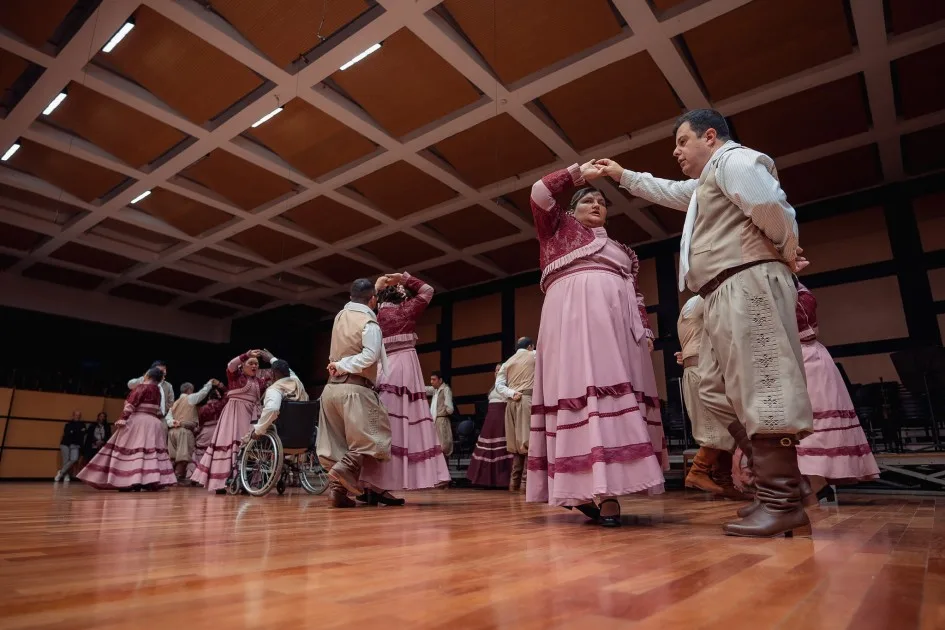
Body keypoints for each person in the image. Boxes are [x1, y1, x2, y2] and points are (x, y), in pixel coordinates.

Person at [597, 108, 813, 537]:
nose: (676, 152)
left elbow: (770, 204)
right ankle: (776, 489)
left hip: (747, 277)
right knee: (711, 386)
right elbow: (671, 191)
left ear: (710, 136)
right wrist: (623, 175)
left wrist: (788, 249)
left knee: (763, 384)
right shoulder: (708, 180)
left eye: (681, 142)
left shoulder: (735, 160)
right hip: (719, 290)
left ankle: (783, 499)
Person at [526, 160, 667, 528]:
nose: (596, 204)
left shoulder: (622, 252)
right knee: (582, 388)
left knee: (613, 394)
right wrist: (577, 175)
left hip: (618, 329)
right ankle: (601, 494)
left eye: (602, 202)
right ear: (571, 210)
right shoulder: (557, 229)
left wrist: (646, 331)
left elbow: (636, 295)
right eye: (588, 200)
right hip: (573, 321)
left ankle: (605, 487)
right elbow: (539, 192)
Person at [359, 272, 450, 506]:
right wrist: (404, 277)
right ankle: (378, 486)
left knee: (383, 426)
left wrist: (379, 288)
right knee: (400, 427)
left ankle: (372, 484)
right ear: (401, 297)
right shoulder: (406, 310)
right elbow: (428, 290)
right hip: (403, 367)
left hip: (382, 367)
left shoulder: (376, 315)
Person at [793, 283, 880, 494]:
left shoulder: (798, 291)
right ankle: (811, 484)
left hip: (807, 358)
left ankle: (817, 483)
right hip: (800, 357)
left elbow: (799, 318)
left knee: (814, 422)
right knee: (803, 422)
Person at [317, 279, 393, 508]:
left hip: (330, 390)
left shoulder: (340, 316)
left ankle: (338, 495)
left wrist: (338, 366)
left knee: (335, 444)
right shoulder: (370, 322)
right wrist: (343, 365)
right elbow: (370, 356)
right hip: (355, 388)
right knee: (374, 437)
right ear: (373, 300)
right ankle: (343, 471)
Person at [675, 295, 749, 500]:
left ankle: (724, 482)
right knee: (720, 429)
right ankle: (698, 471)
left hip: (698, 370)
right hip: (701, 372)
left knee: (726, 429)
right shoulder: (701, 300)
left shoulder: (692, 305)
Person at [77, 367, 177, 491]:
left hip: (139, 421)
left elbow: (131, 404)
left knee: (129, 450)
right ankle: (144, 481)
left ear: (148, 375)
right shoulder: (158, 389)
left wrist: (123, 418)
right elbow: (158, 409)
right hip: (153, 423)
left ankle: (128, 481)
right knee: (148, 453)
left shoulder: (142, 387)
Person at [191, 350, 275, 493]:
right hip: (234, 415)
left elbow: (276, 373)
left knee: (248, 446)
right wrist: (246, 354)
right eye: (251, 363)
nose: (254, 366)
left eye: (256, 364)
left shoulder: (259, 382)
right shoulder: (235, 377)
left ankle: (244, 481)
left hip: (251, 416)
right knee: (230, 444)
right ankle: (221, 483)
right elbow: (231, 364)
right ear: (242, 365)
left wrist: (272, 359)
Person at [495, 337, 536, 492]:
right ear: (530, 346)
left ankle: (514, 483)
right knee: (527, 440)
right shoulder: (533, 355)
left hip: (511, 402)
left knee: (514, 442)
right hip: (526, 399)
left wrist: (511, 393)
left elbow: (499, 386)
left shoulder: (507, 362)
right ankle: (525, 484)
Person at [465, 364, 513, 489]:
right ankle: (485, 480)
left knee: (501, 448)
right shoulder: (494, 386)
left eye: (500, 370)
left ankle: (502, 480)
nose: (497, 372)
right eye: (496, 370)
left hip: (500, 419)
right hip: (490, 420)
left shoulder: (506, 386)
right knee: (486, 448)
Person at [166, 380, 217, 482]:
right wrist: (209, 384)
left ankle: (169, 478)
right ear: (189, 390)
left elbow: (168, 418)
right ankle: (178, 477)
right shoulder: (189, 398)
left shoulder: (175, 403)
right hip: (184, 431)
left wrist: (173, 422)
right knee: (183, 455)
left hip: (172, 432)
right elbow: (202, 394)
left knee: (173, 456)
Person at [250, 359, 308, 437]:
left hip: (284, 435)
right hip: (304, 433)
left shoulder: (275, 389)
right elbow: (292, 373)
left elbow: (272, 409)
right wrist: (271, 358)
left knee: (256, 428)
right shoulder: (298, 383)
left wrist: (258, 431)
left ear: (273, 374)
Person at [188, 385, 226, 479]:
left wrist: (196, 432)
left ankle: (196, 475)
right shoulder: (222, 406)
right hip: (219, 432)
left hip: (206, 432)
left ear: (208, 397)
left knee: (199, 451)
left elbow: (200, 424)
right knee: (217, 452)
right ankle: (215, 475)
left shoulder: (203, 408)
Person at [426, 371, 454, 460]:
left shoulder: (445, 389)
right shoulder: (435, 390)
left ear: (440, 380)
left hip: (441, 420)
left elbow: (450, 408)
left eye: (434, 379)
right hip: (434, 420)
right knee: (435, 445)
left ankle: (445, 469)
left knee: (443, 445)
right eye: (431, 379)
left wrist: (443, 412)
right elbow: (424, 389)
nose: (431, 381)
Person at [55, 410, 85, 482]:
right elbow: (68, 433)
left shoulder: (82, 424)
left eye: (79, 415)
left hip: (76, 445)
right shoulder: (68, 424)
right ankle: (66, 475)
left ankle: (61, 472)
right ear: (73, 415)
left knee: (74, 459)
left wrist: (75, 432)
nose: (77, 416)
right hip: (66, 444)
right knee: (66, 460)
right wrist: (77, 432)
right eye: (76, 415)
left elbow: (81, 434)